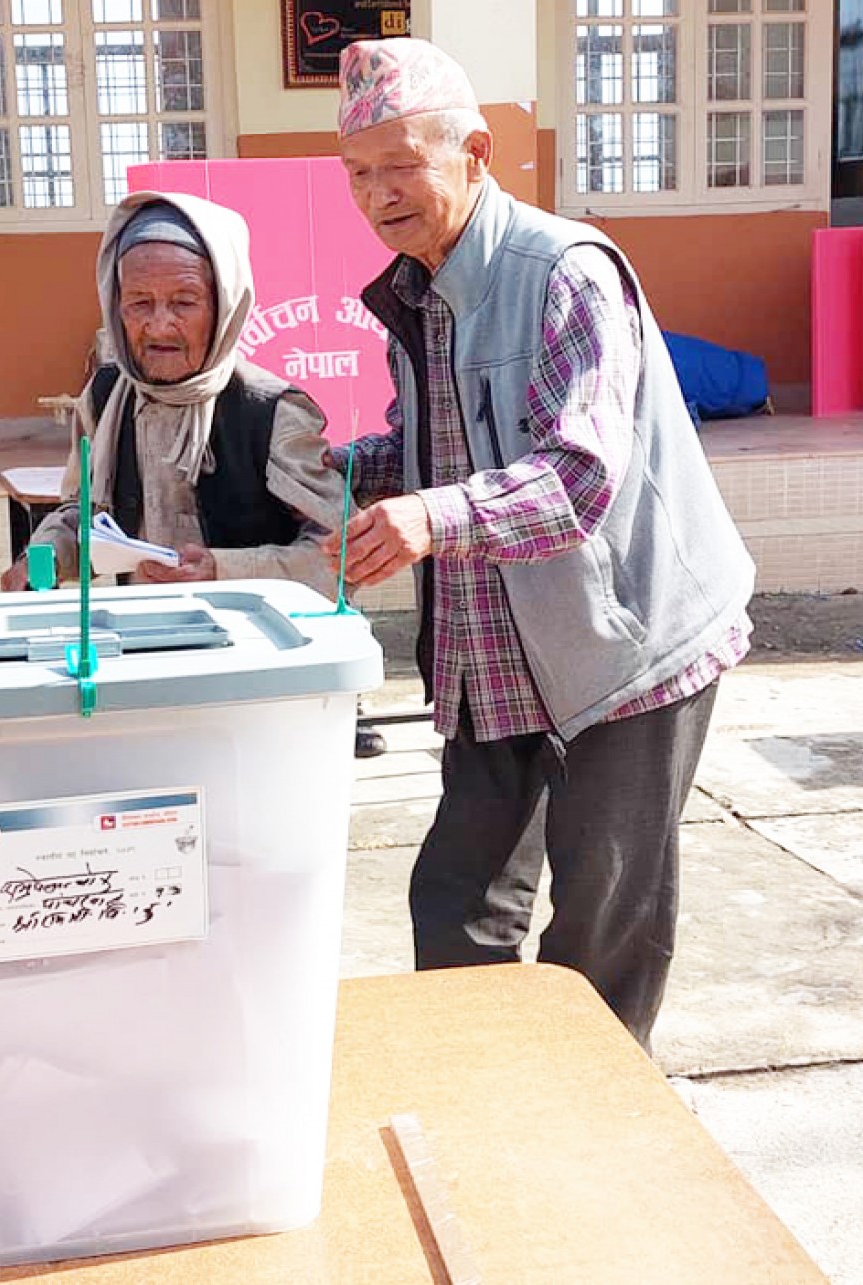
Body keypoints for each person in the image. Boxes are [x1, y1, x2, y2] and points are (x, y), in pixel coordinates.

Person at [326, 38, 757, 1049]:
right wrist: (332, 470)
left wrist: (432, 518)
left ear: (475, 152)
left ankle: (599, 1108)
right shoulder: (415, 294)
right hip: (494, 648)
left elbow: (579, 475)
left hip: (625, 647)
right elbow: (435, 448)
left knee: (603, 916)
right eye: (358, 174)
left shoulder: (566, 271)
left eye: (402, 166)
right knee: (458, 901)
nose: (379, 195)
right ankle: (487, 1092)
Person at [0, 192, 345, 600]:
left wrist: (223, 570)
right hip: (144, 627)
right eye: (139, 303)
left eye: (184, 302)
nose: (160, 326)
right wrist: (46, 555)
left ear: (224, 305)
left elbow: (341, 556)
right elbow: (87, 512)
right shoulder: (106, 398)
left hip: (253, 632)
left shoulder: (272, 412)